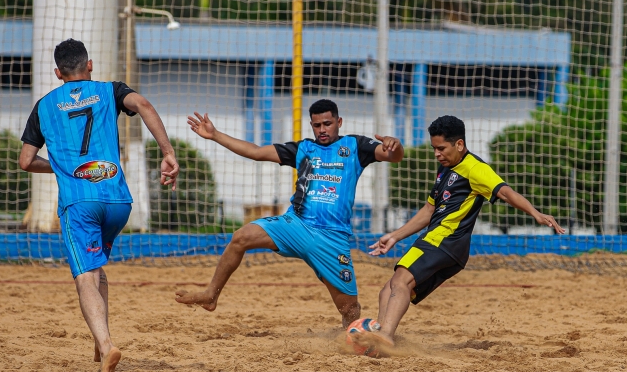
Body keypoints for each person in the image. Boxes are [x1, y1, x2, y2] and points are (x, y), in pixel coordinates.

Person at [19, 38, 180, 372]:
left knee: (84, 276)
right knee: (95, 266)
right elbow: (144, 104)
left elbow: (26, 161)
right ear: (89, 65)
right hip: (118, 202)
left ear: (58, 73)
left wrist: (63, 168)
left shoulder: (43, 106)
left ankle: (107, 347)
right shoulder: (110, 90)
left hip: (80, 202)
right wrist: (168, 152)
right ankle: (99, 339)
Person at [175, 99, 404, 326]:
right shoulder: (304, 149)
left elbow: (393, 156)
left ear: (339, 122)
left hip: (331, 238)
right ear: (311, 125)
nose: (322, 130)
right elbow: (256, 152)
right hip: (295, 225)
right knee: (241, 237)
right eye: (317, 125)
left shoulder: (355, 146)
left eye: (327, 124)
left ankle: (351, 337)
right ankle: (211, 294)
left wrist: (395, 145)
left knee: (350, 309)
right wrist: (215, 135)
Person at [357, 115, 564, 350]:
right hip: (447, 246)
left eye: (441, 148)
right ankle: (379, 342)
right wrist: (395, 236)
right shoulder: (446, 167)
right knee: (389, 289)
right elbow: (429, 210)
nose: (437, 154)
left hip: (444, 240)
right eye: (434, 148)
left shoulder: (475, 168)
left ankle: (385, 336)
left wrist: (535, 213)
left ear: (459, 144)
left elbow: (506, 192)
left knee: (400, 281)